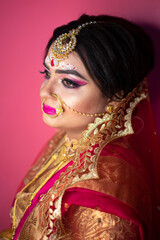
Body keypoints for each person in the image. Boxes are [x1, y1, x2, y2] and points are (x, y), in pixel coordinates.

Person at [0, 14, 160, 240]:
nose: (45, 91)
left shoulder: (104, 196)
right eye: (47, 74)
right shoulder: (71, 140)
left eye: (69, 82)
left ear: (116, 96)